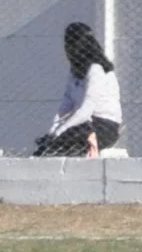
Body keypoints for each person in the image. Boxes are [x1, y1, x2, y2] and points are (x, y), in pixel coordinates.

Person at [34, 22, 122, 158]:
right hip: (83, 123)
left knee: (68, 138)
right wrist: (53, 130)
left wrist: (61, 131)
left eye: (69, 44)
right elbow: (66, 105)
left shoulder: (96, 69)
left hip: (104, 126)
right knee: (46, 146)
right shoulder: (75, 71)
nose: (66, 49)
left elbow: (86, 110)